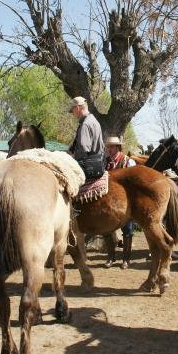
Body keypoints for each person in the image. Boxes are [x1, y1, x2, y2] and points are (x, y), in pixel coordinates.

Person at [103, 136, 136, 269]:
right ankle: (110, 257)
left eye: (112, 147)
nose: (109, 149)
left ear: (118, 147)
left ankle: (126, 259)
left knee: (127, 230)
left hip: (126, 202)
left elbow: (134, 183)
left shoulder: (129, 162)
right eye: (108, 147)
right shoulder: (104, 162)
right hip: (109, 202)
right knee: (106, 229)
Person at [67, 96, 105, 179]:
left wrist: (70, 157)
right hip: (98, 163)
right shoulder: (94, 120)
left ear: (77, 108)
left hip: (88, 166)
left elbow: (83, 150)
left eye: (73, 111)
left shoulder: (85, 124)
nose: (73, 114)